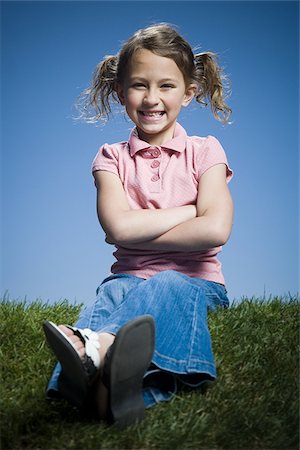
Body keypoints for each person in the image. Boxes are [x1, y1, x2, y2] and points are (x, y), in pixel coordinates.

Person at [43, 23, 234, 429]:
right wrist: (189, 211)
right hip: (126, 278)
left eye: (166, 86)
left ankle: (98, 347)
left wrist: (141, 223)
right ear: (120, 92)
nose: (151, 99)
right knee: (108, 299)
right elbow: (118, 230)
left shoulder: (206, 151)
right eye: (138, 86)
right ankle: (108, 395)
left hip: (197, 283)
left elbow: (216, 229)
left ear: (188, 92)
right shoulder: (110, 157)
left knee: (166, 282)